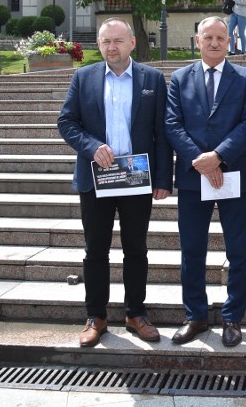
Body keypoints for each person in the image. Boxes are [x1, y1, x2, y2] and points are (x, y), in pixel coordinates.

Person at [58, 17, 172, 348]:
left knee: (136, 248)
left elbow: (161, 133)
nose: (111, 47)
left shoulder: (152, 79)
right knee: (95, 250)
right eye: (105, 41)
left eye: (118, 41)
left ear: (132, 43)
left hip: (136, 177)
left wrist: (163, 178)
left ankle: (136, 313)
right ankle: (96, 316)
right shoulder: (84, 77)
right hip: (97, 177)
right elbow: (66, 121)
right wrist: (92, 147)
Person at [165, 16, 246, 348]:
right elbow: (172, 124)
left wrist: (218, 156)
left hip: (234, 172)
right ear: (197, 40)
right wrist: (201, 161)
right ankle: (196, 316)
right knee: (192, 250)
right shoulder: (178, 78)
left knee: (238, 250)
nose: (215, 42)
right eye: (209, 37)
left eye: (222, 37)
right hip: (193, 178)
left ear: (230, 41)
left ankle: (233, 317)